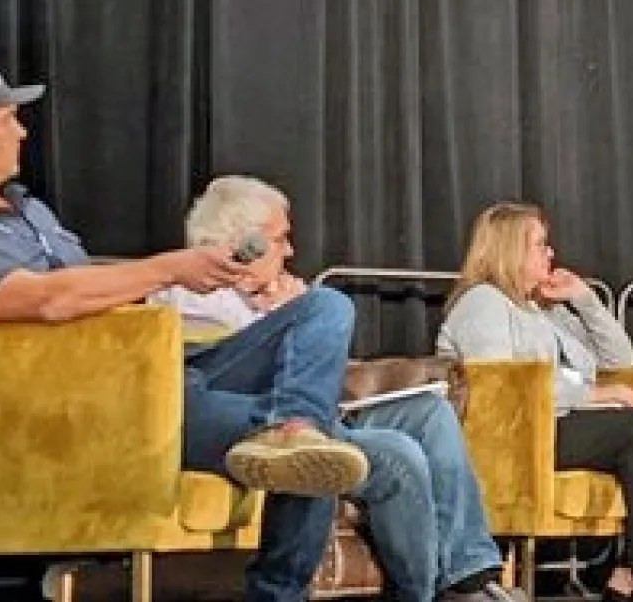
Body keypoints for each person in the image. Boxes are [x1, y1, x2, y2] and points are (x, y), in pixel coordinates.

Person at [0, 58, 377, 602]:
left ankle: (294, 425)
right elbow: (50, 301)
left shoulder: (29, 211)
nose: (23, 131)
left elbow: (88, 287)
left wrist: (191, 278)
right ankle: (281, 575)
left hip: (162, 376)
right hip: (97, 408)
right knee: (319, 451)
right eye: (9, 119)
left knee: (326, 308)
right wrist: (170, 268)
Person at [150, 175, 522, 602]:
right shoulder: (187, 292)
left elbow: (315, 372)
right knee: (392, 450)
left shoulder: (273, 299)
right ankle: (423, 593)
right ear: (243, 244)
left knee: (430, 411)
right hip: (227, 403)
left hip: (308, 407)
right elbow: (205, 369)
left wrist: (284, 314)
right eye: (280, 239)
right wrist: (272, 312)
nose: (290, 251)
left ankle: (467, 575)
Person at [435, 202, 633, 602]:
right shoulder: (484, 303)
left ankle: (631, 573)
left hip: (564, 420)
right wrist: (596, 394)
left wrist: (583, 300)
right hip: (517, 436)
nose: (551, 254)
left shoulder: (540, 308)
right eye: (540, 245)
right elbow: (503, 386)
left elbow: (619, 360)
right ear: (510, 250)